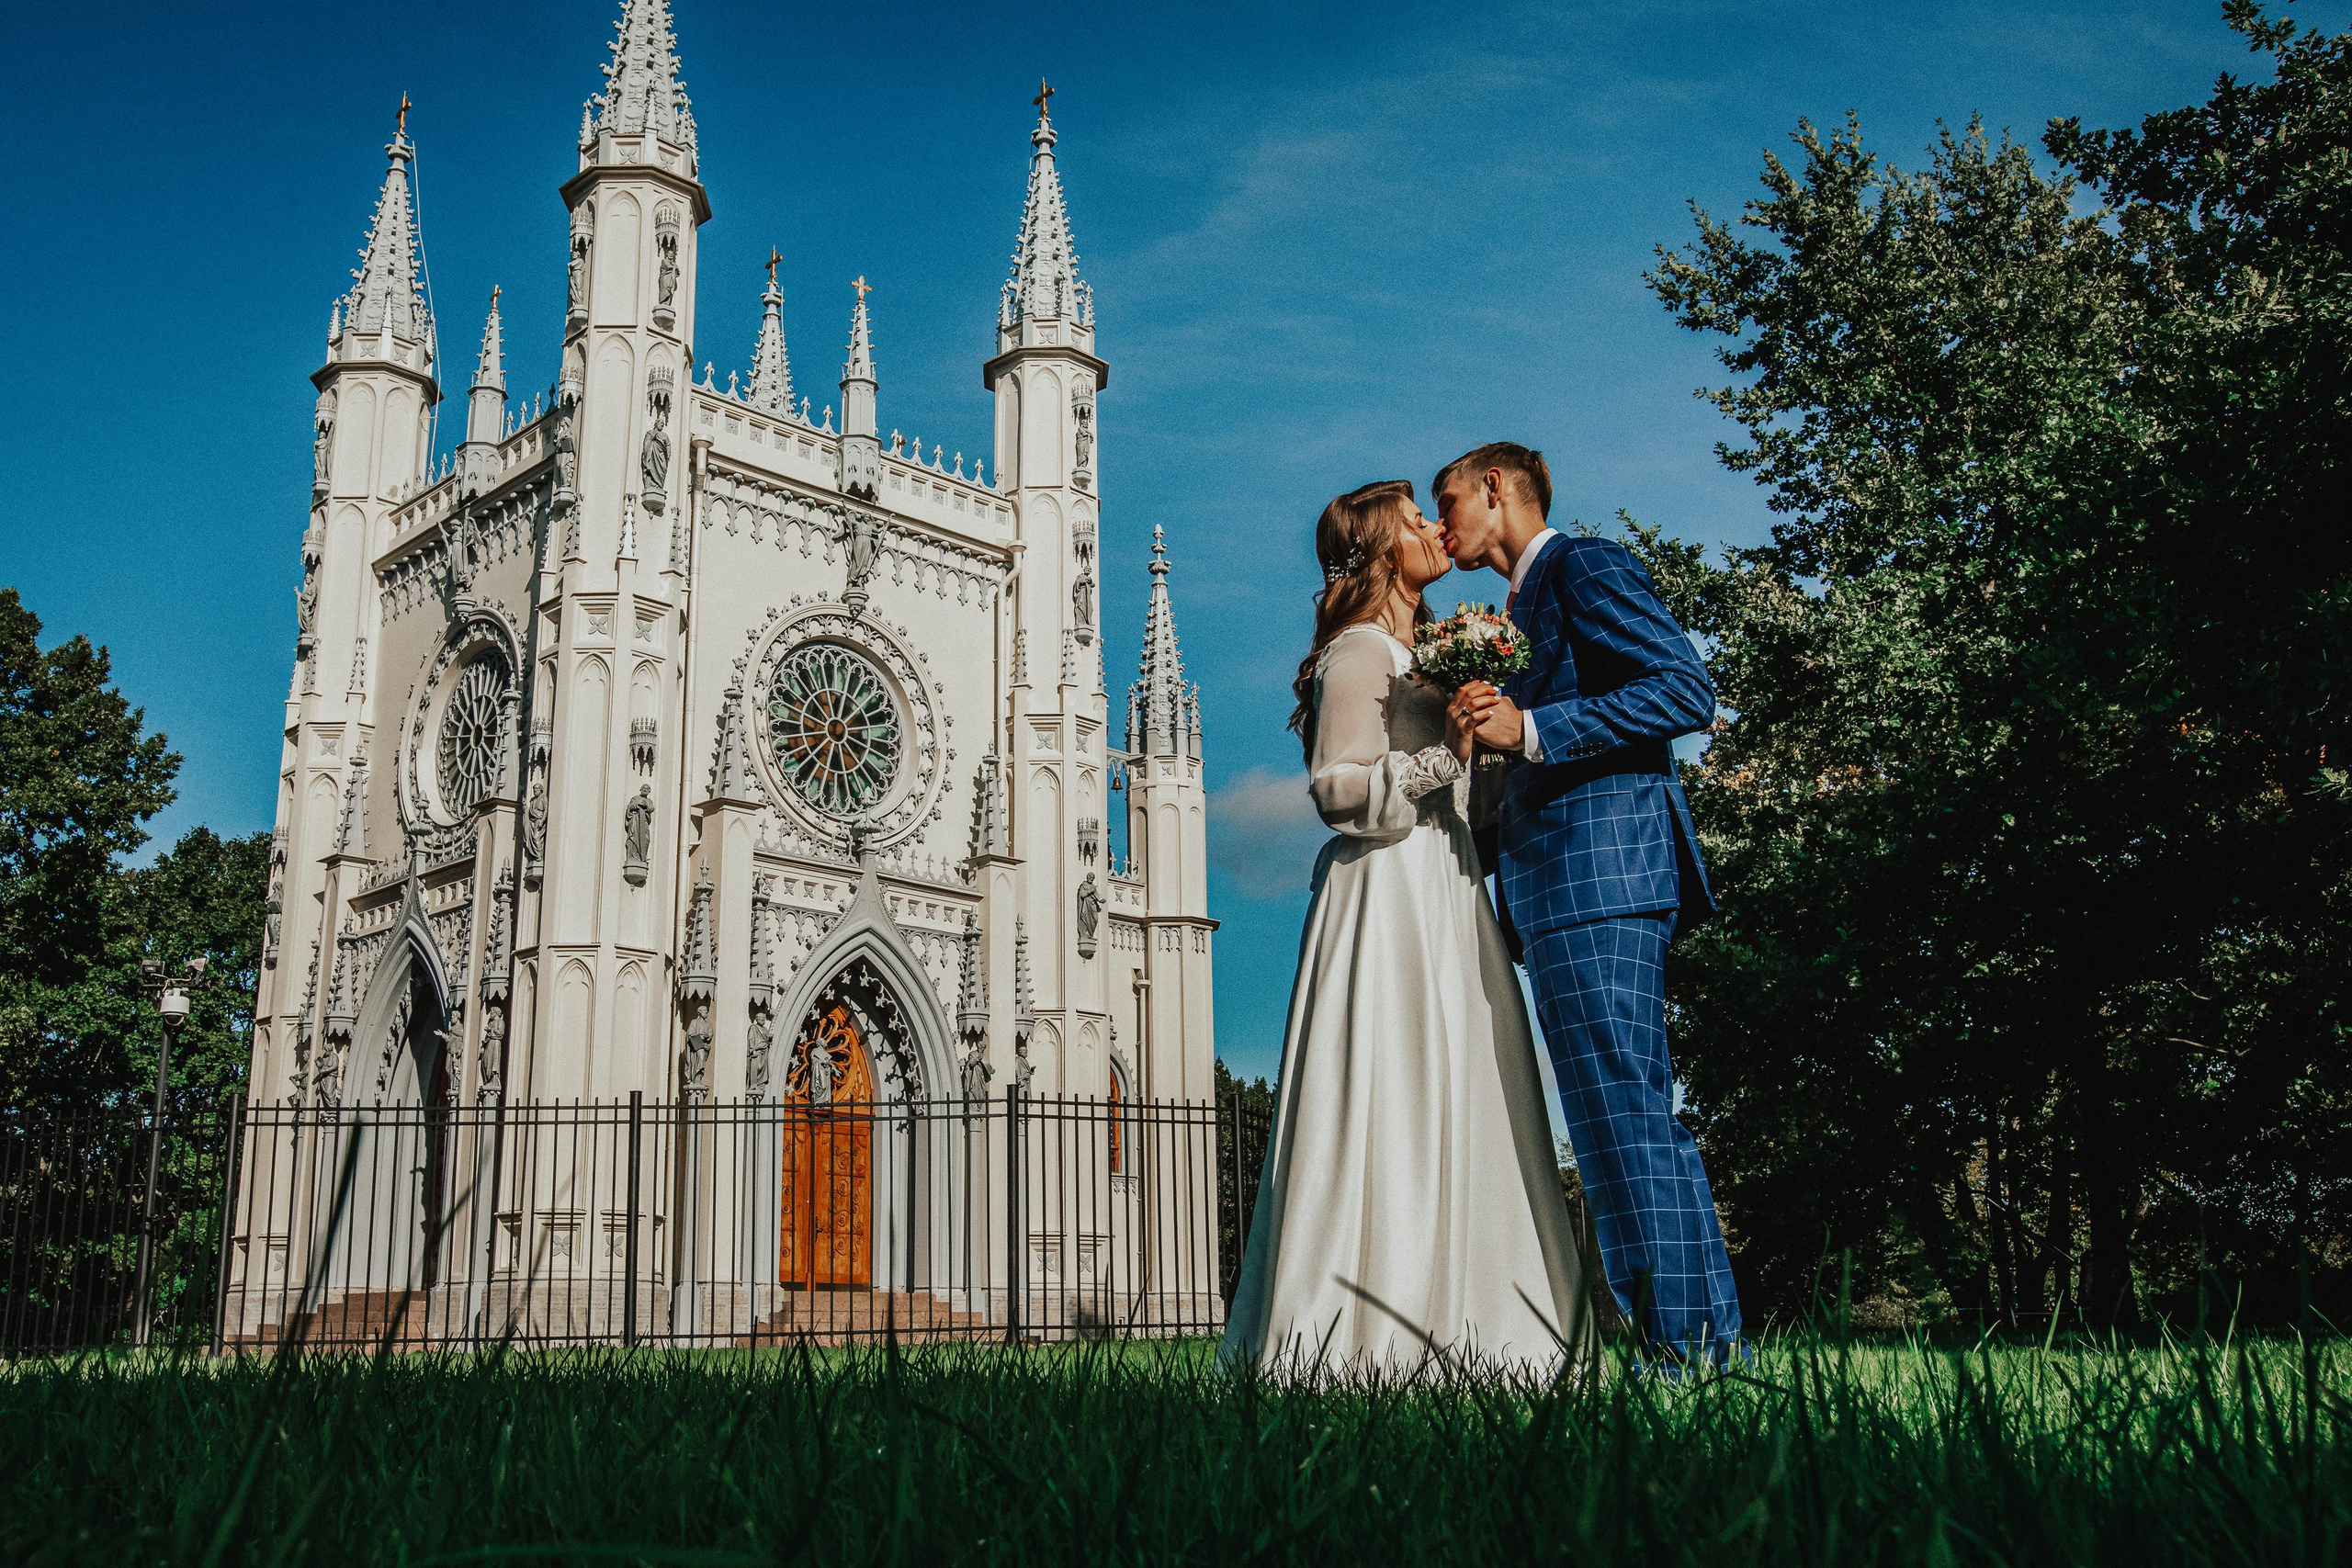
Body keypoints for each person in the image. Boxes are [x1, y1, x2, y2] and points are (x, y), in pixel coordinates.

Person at [1219, 479, 1592, 1378]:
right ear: (1384, 549)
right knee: (1393, 1088)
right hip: (1386, 887)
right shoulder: (1357, 652)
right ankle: (1360, 1333)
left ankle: (1481, 1324)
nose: (1434, 528)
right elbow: (1339, 792)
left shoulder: (1415, 653)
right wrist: (1449, 752)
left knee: (1466, 1084)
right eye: (1416, 521)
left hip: (1444, 879)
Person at [1435, 442, 1742, 1370]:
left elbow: (1686, 689)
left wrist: (1532, 729)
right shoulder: (1518, 608)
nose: (1442, 523)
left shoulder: (1583, 565)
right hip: (1556, 884)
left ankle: (1683, 1353)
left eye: (1448, 500)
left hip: (1598, 872)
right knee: (1625, 1118)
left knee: (1622, 1120)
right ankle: (1696, 1347)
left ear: (1497, 487)